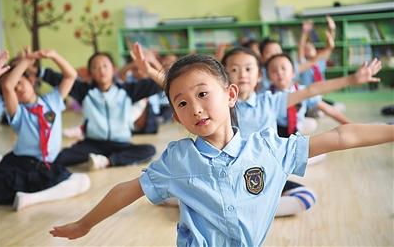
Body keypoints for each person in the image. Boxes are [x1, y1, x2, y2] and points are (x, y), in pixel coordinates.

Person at [49, 51, 393, 246]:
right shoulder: (177, 158)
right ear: (175, 116)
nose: (195, 108)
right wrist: (85, 223)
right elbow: (127, 189)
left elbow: (339, 137)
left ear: (230, 95)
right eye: (182, 103)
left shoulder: (268, 148)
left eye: (202, 95)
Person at [221, 46, 381, 215]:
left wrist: (350, 79)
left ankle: (249, 209)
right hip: (235, 174)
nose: (242, 74)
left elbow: (309, 90)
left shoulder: (270, 102)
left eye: (248, 69)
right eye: (234, 69)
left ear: (260, 75)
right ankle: (249, 207)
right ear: (223, 76)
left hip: (266, 174)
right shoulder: (221, 107)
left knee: (306, 197)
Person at [0, 49, 90, 211]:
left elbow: (71, 75)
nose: (17, 88)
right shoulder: (18, 112)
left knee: (83, 181)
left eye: (20, 82)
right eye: (13, 87)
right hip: (21, 164)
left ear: (31, 81)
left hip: (47, 165)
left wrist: (54, 56)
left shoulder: (52, 100)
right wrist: (28, 60)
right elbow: (8, 86)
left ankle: (30, 199)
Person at [33, 50, 163, 170]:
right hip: (92, 144)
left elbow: (163, 82)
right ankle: (103, 159)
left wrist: (153, 63)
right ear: (90, 73)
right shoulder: (85, 91)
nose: (101, 70)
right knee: (57, 159)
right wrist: (34, 70)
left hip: (120, 144)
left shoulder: (127, 91)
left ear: (113, 69)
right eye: (96, 67)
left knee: (149, 150)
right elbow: (57, 78)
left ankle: (106, 161)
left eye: (105, 65)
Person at [266, 53, 352, 137]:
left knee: (312, 124)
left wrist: (351, 125)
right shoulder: (267, 95)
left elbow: (328, 109)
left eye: (283, 68)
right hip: (277, 130)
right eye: (274, 70)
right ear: (269, 76)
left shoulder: (303, 91)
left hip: (296, 127)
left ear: (293, 72)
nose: (279, 73)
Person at [258, 30, 334, 92]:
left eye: (277, 51)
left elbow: (310, 63)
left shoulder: (290, 68)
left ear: (293, 72)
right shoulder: (260, 74)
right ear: (261, 57)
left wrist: (328, 48)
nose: (274, 54)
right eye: (269, 52)